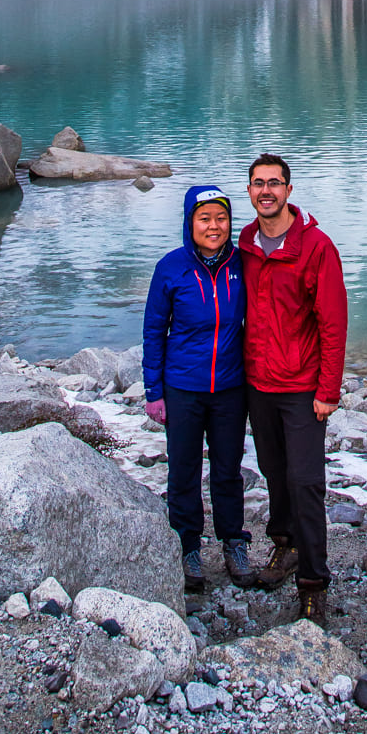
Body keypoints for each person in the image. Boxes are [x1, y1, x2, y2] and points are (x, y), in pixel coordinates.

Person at [238, 153, 347, 626]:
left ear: (288, 190)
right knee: (273, 473)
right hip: (257, 385)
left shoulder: (315, 247)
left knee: (306, 484)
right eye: (259, 184)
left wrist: (328, 391)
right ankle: (284, 547)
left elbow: (334, 324)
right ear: (250, 192)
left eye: (275, 184)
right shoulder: (242, 244)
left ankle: (313, 584)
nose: (267, 191)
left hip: (302, 388)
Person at [142, 184, 254, 593]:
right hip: (183, 387)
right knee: (184, 470)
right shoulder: (171, 268)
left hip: (229, 387)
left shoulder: (243, 265)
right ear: (189, 222)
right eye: (204, 218)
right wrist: (154, 391)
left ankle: (232, 542)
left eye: (221, 218)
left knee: (228, 470)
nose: (214, 226)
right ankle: (188, 545)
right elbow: (154, 330)